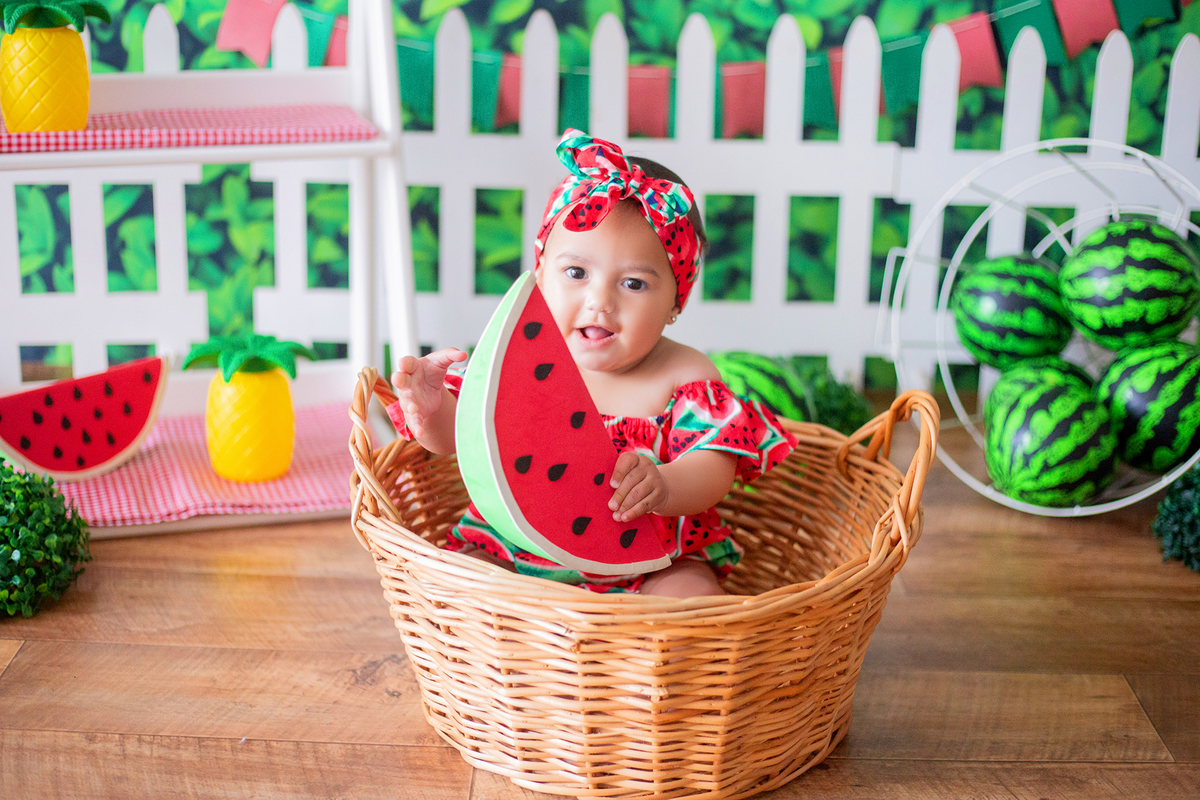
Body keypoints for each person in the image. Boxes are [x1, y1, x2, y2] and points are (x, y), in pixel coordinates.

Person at [386, 130, 797, 597]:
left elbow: (715, 465)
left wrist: (665, 484)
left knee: (691, 595)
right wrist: (431, 409)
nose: (600, 302)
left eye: (635, 284)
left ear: (675, 302)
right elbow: (463, 439)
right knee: (462, 583)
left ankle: (649, 662)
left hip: (651, 560)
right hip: (515, 551)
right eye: (577, 273)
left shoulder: (687, 376)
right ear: (540, 277)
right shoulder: (517, 357)